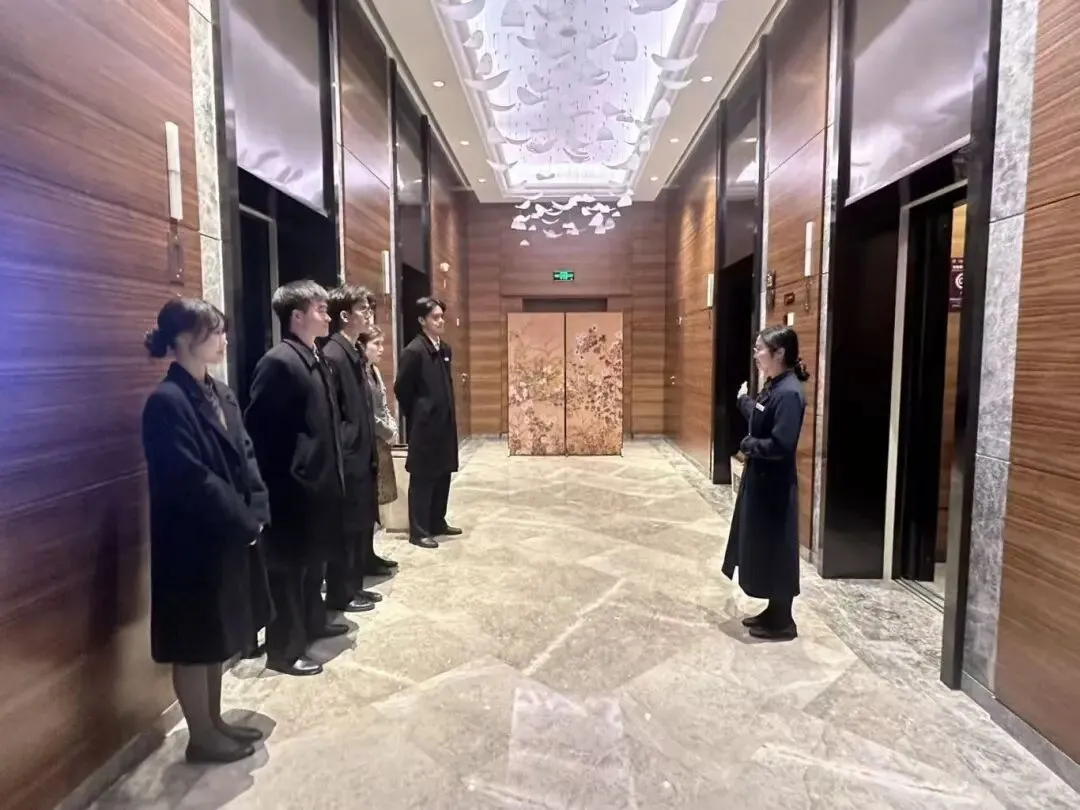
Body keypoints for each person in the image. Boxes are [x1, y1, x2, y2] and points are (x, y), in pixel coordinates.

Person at [141, 298, 271, 764]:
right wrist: (241, 521)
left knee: (216, 635)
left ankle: (214, 722)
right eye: (214, 332)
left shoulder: (222, 392)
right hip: (190, 542)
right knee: (194, 641)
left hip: (227, 534)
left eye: (222, 331)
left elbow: (247, 454)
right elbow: (190, 479)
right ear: (182, 339)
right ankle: (201, 736)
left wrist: (257, 509)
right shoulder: (166, 402)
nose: (223, 340)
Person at [244, 280, 348, 677]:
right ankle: (284, 651)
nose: (327, 316)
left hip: (317, 485)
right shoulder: (279, 362)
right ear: (297, 316)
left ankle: (312, 624)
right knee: (288, 570)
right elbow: (260, 433)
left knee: (311, 563)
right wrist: (284, 481)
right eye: (320, 309)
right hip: (290, 490)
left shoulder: (314, 357)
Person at [721, 325, 809, 641]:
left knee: (777, 547)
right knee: (764, 545)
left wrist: (748, 445)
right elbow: (761, 415)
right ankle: (773, 611)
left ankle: (783, 621)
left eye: (760, 348)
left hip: (776, 488)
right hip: (761, 482)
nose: (756, 354)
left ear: (779, 353)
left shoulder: (790, 393)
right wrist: (743, 400)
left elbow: (781, 444)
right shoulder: (775, 386)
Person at [322, 285, 396, 615]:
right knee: (345, 530)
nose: (369, 314)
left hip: (362, 455)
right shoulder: (334, 354)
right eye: (363, 309)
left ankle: (353, 586)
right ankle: (341, 593)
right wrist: (349, 450)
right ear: (344, 315)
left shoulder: (352, 353)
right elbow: (334, 415)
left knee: (357, 527)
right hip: (348, 457)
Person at [394, 297, 460, 548]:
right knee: (423, 477)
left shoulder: (444, 349)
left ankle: (437, 522)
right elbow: (402, 388)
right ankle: (419, 530)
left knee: (443, 473)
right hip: (424, 427)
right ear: (422, 320)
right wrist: (420, 413)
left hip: (444, 424)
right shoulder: (413, 351)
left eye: (442, 316)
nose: (441, 321)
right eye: (435, 317)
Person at [359, 325, 399, 520]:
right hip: (369, 439)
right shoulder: (359, 374)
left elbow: (383, 405)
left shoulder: (374, 370)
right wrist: (387, 432)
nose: (381, 349)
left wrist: (393, 426)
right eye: (376, 344)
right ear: (362, 346)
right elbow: (367, 412)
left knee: (382, 493)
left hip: (382, 439)